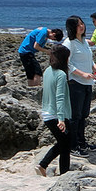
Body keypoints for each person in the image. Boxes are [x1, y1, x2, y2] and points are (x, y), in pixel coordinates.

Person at [63, 15, 96, 157]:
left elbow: (89, 60)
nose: (82, 26)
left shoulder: (84, 42)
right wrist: (81, 74)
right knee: (75, 115)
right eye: (78, 24)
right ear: (71, 27)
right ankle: (73, 146)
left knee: (84, 115)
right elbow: (67, 64)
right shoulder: (69, 43)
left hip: (87, 83)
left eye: (82, 23)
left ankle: (82, 142)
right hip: (75, 83)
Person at [36, 44, 73, 177]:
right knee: (66, 145)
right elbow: (60, 98)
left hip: (46, 113)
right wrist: (61, 119)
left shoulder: (47, 71)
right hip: (56, 115)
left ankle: (43, 165)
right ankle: (63, 173)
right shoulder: (61, 75)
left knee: (63, 143)